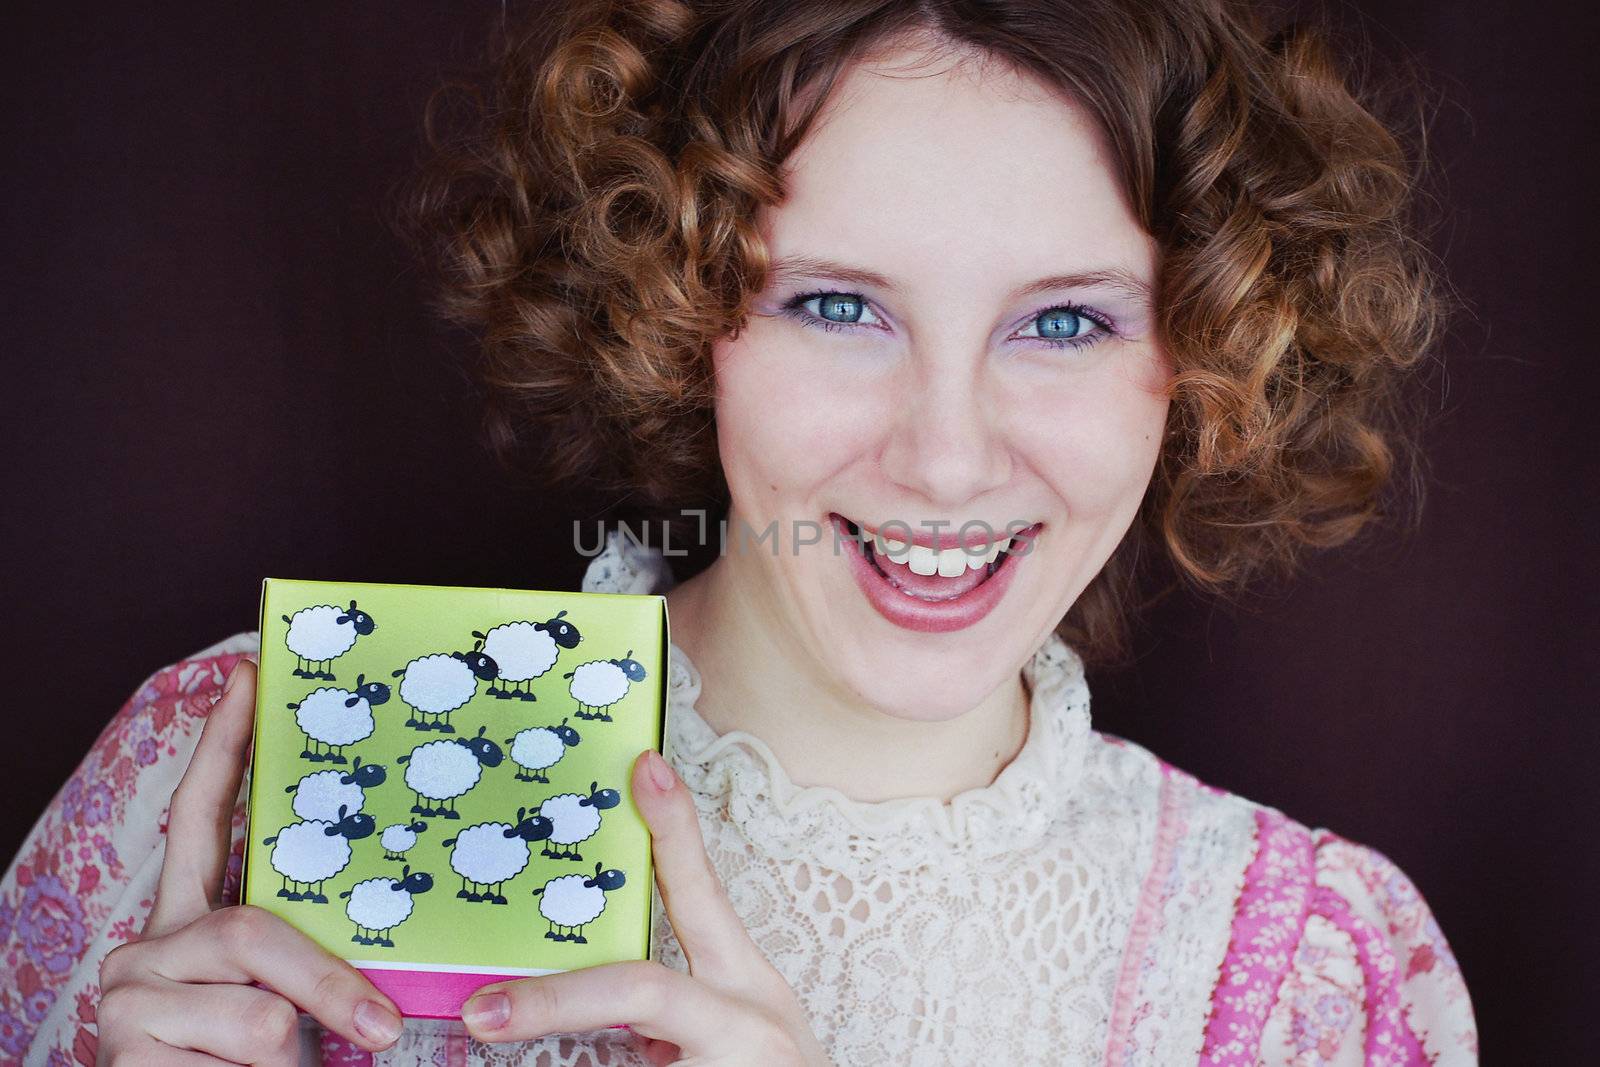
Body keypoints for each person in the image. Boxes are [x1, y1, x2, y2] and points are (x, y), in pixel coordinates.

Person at [0, 0, 1480, 1064]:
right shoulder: (241, 772)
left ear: (1210, 352)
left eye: (1068, 320)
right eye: (838, 306)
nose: (948, 456)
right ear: (679, 316)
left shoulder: (1316, 983)